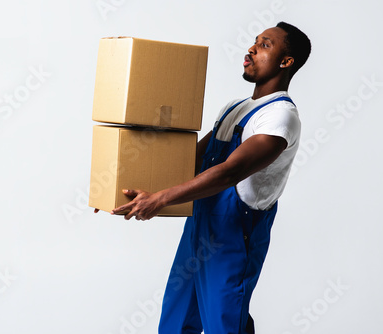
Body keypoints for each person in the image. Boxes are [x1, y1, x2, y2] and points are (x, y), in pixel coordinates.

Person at [108, 22, 311, 334]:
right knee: (175, 321)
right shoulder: (235, 107)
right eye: (254, 42)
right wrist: (120, 189)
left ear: (286, 62)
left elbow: (230, 172)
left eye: (265, 45)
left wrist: (160, 200)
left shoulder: (280, 117)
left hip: (235, 233)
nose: (252, 49)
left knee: (224, 324)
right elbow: (191, 161)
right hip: (200, 225)